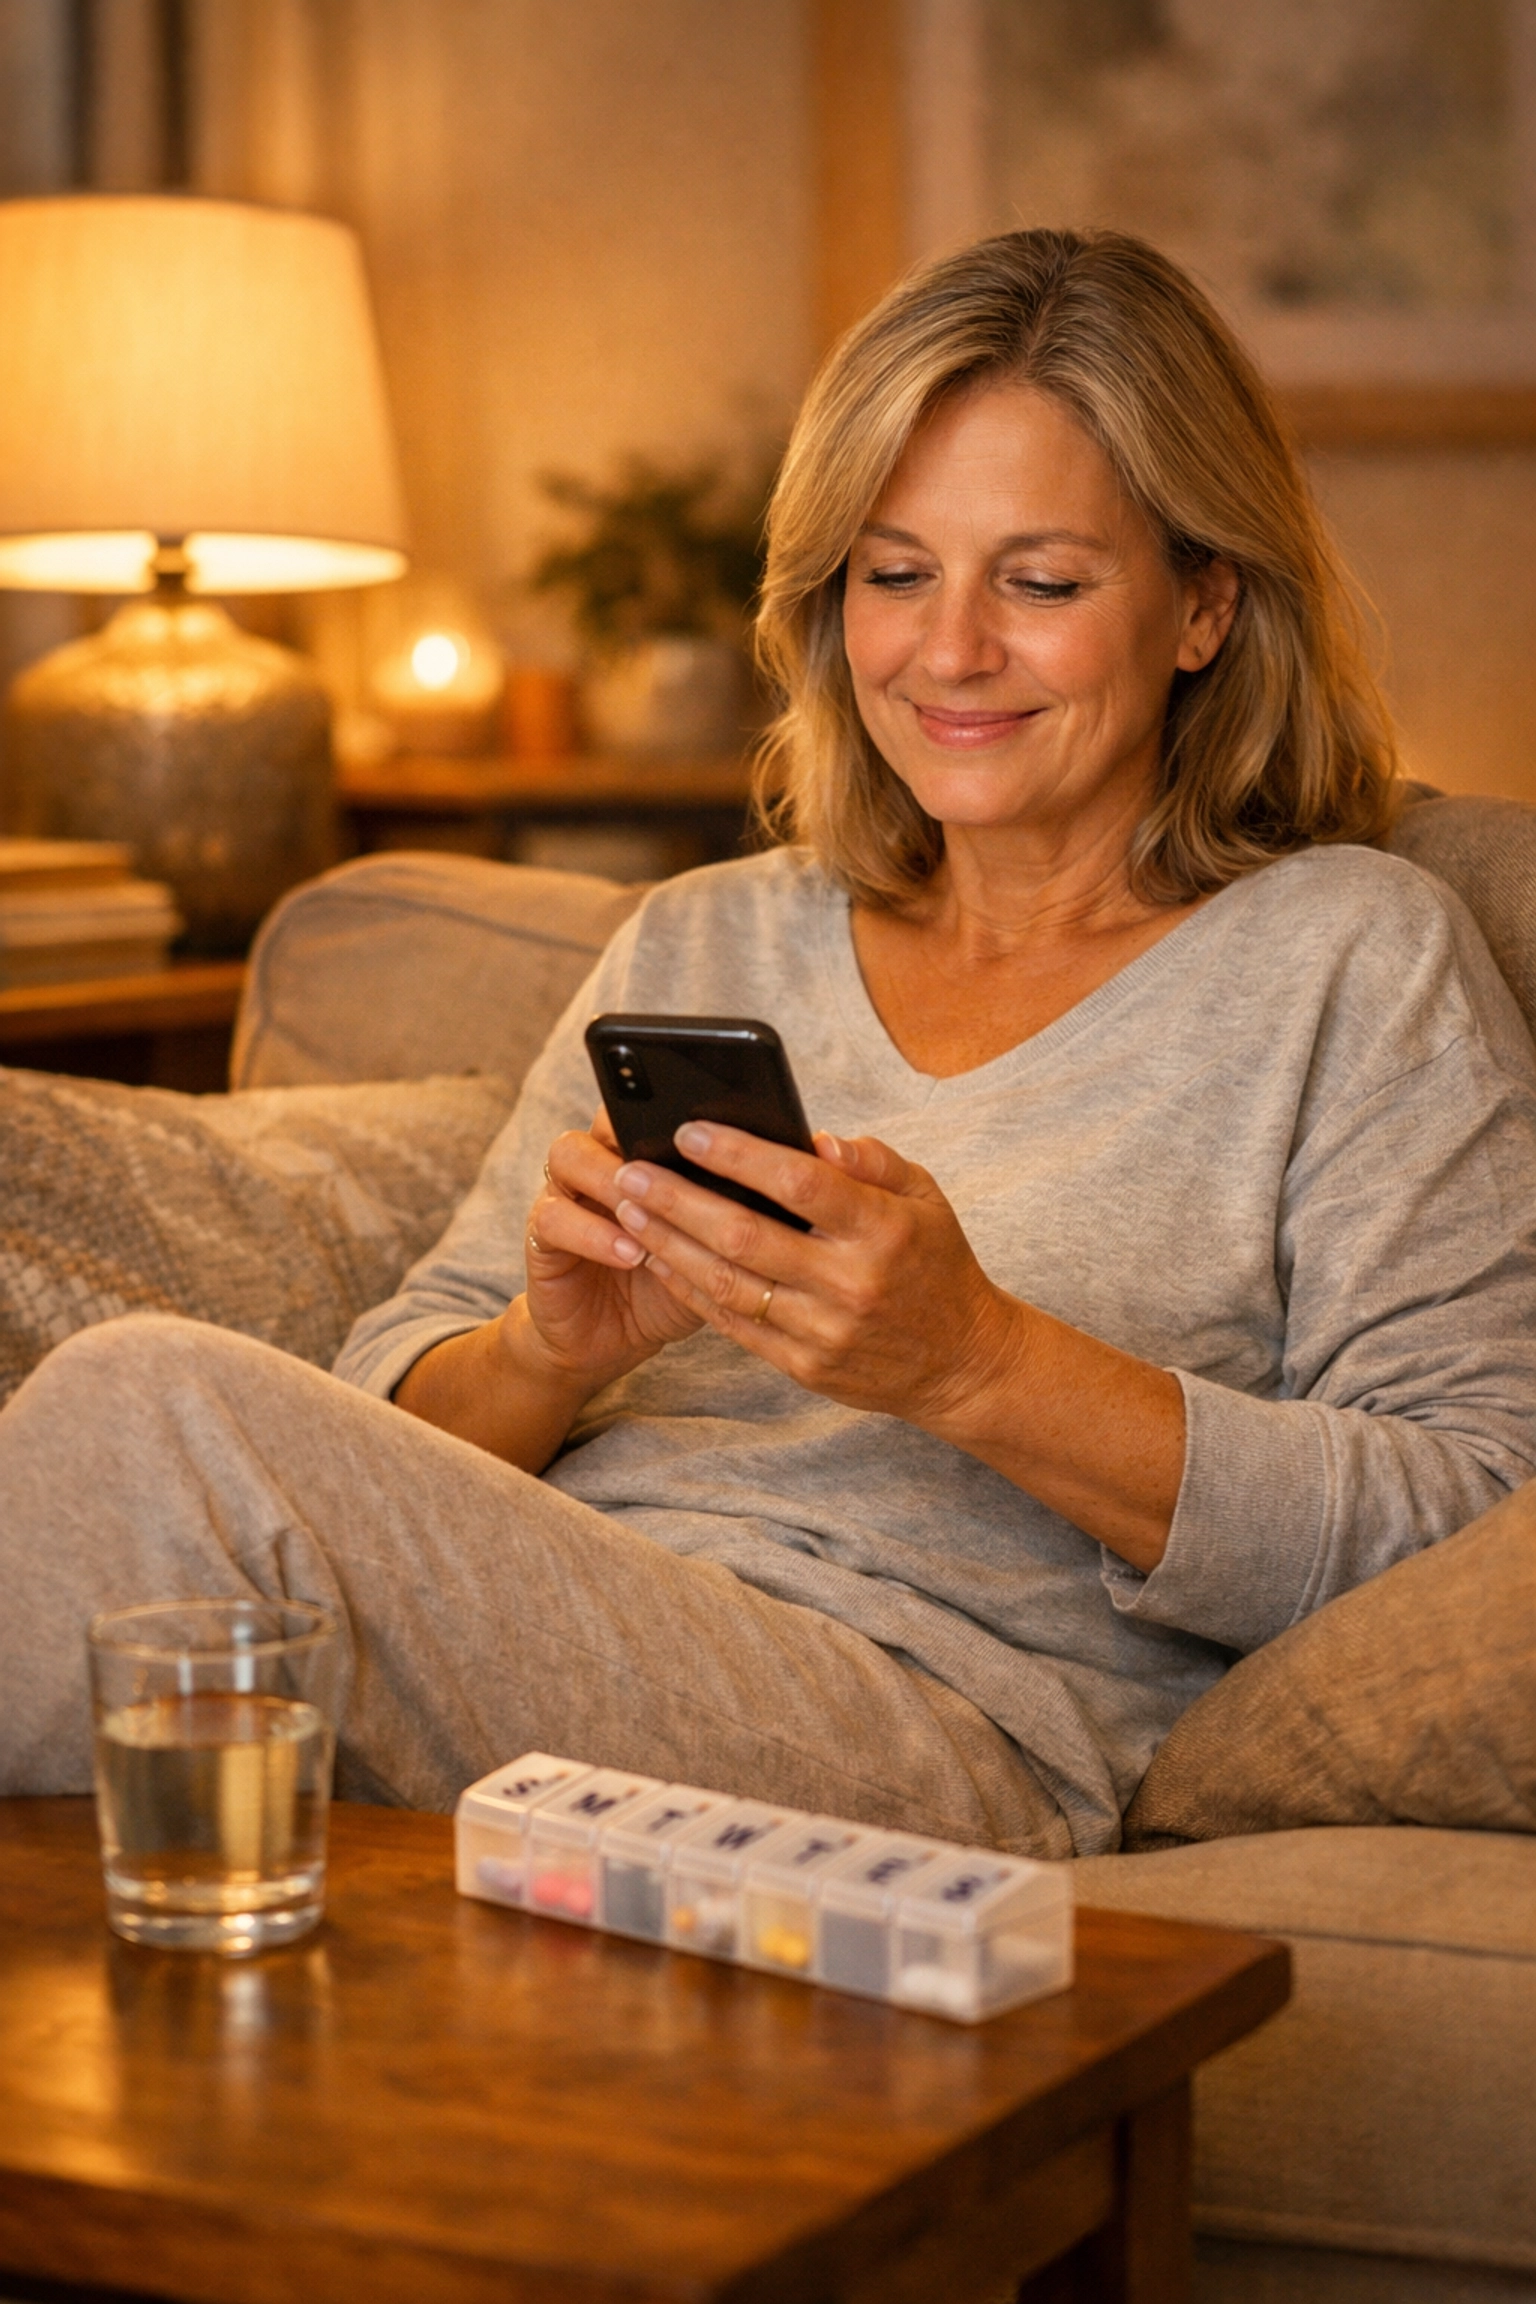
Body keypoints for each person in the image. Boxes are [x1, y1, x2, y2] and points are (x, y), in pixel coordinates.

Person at [6, 228, 1536, 1857]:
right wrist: (553, 1347)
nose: (946, 653)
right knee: (157, 1484)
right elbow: (390, 1412)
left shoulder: (1348, 957)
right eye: (894, 573)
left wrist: (977, 1362)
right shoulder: (706, 935)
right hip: (563, 1621)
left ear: (1202, 608)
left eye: (1041, 581)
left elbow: (1469, 1515)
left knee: (148, 1409)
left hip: (937, 1720)